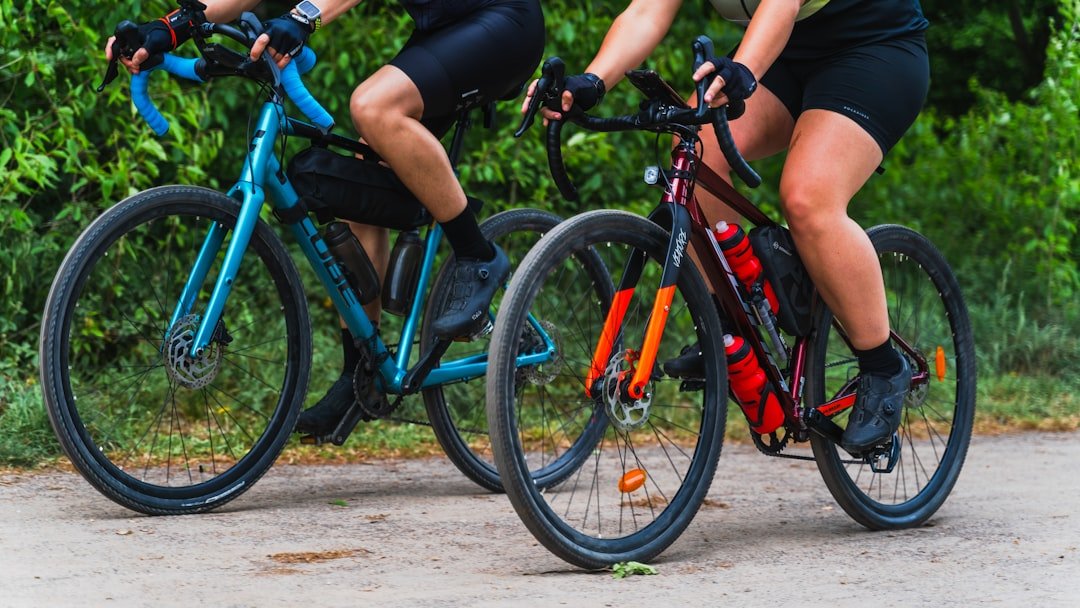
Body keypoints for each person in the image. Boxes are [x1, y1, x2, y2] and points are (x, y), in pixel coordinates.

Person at [106, 0, 545, 435]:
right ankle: (363, 373)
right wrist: (170, 27)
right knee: (365, 175)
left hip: (503, 22)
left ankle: (477, 255)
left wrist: (302, 17)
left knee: (374, 107)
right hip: (445, 28)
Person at [525, 0, 927, 455]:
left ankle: (882, 366)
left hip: (872, 50)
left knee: (807, 197)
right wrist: (592, 82)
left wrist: (744, 70)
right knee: (697, 149)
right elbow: (646, 13)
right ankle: (735, 320)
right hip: (785, 55)